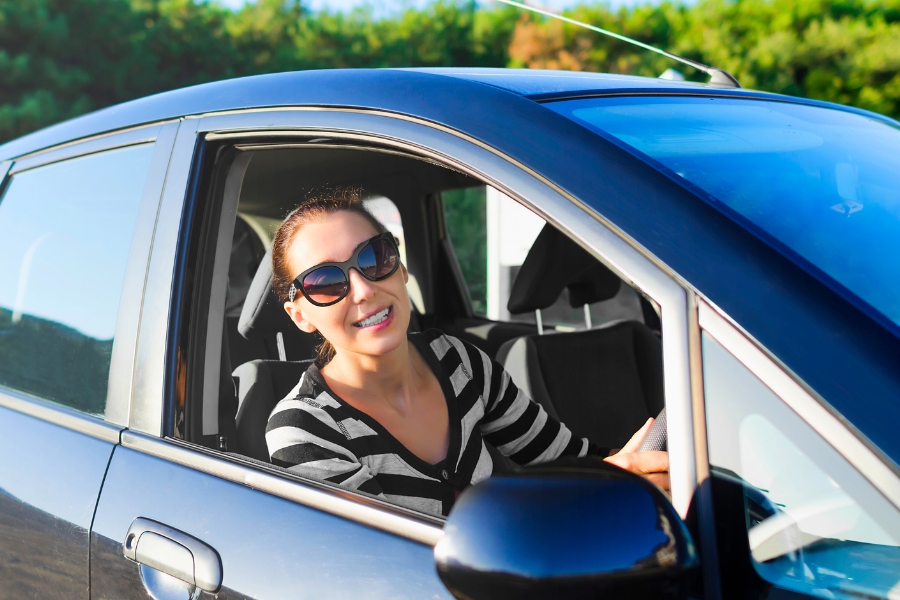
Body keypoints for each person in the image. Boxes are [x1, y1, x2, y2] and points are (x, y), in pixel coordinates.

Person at [265, 190, 669, 518]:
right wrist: (597, 493)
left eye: (375, 257)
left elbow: (567, 461)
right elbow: (395, 565)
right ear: (301, 316)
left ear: (401, 268)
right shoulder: (303, 429)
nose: (365, 289)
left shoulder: (456, 361)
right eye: (324, 282)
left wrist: (627, 469)